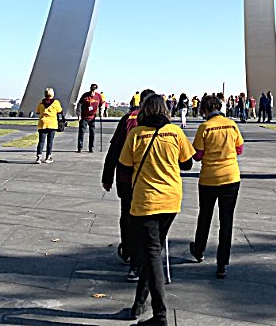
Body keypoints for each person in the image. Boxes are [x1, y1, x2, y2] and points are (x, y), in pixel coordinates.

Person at [119, 93, 194, 325]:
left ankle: (160, 316)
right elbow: (188, 163)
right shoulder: (175, 132)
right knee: (152, 251)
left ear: (144, 110)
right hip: (171, 200)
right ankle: (138, 304)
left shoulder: (135, 134)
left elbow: (124, 165)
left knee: (151, 254)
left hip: (146, 202)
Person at [103, 87, 155, 281]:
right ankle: (145, 257)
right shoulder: (163, 125)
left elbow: (115, 148)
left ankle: (129, 251)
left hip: (127, 178)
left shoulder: (129, 119)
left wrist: (107, 176)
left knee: (128, 216)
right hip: (150, 180)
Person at [190, 93, 244, 278]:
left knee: (204, 215)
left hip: (209, 178)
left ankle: (199, 250)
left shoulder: (204, 127)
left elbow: (197, 155)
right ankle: (222, 263)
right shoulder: (231, 124)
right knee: (226, 220)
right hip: (231, 177)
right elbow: (239, 149)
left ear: (204, 110)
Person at [35, 87, 63, 164]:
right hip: (52, 123)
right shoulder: (56, 102)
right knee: (50, 141)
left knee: (41, 141)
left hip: (42, 123)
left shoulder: (41, 103)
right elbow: (60, 111)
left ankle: (39, 156)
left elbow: (37, 111)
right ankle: (48, 157)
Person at [76, 83, 103, 153]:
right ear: (90, 88)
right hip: (84, 117)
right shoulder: (85, 96)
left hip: (92, 117)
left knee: (92, 133)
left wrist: (101, 112)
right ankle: (80, 148)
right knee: (81, 133)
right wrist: (78, 115)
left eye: (94, 90)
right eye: (92, 89)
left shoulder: (98, 96)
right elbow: (79, 105)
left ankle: (91, 148)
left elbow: (101, 104)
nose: (92, 92)